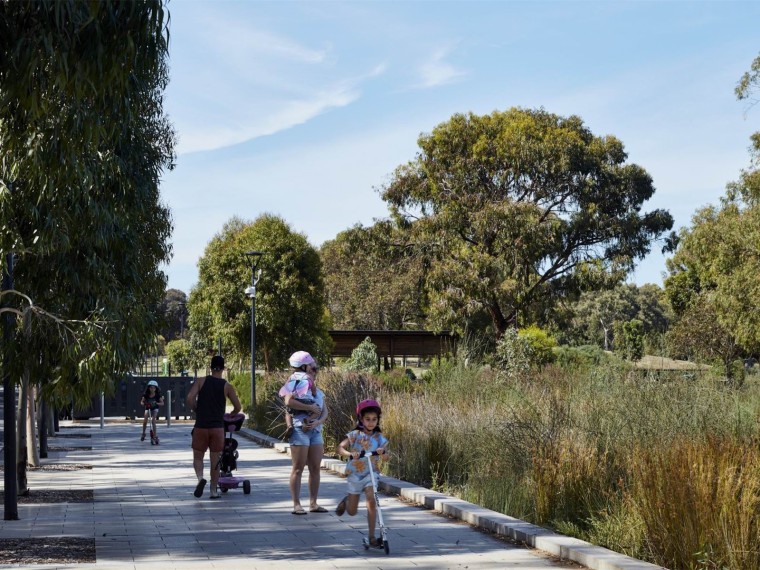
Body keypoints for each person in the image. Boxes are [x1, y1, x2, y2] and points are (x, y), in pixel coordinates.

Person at [186, 355, 242, 499]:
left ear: (210, 367)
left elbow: (189, 398)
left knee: (198, 457)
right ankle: (213, 491)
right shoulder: (227, 386)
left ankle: (200, 479)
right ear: (223, 368)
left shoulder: (200, 381)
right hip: (217, 428)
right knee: (215, 460)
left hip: (201, 426)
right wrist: (233, 413)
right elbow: (238, 406)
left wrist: (195, 409)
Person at [335, 399, 389, 549]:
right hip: (355, 474)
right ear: (361, 419)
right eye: (367, 419)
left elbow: (386, 456)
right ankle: (347, 502)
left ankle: (372, 536)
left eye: (374, 419)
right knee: (352, 512)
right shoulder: (355, 435)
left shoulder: (379, 438)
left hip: (371, 473)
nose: (371, 423)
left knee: (372, 499)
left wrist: (382, 452)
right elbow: (340, 448)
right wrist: (350, 454)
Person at [280, 350, 328, 514]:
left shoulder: (315, 387)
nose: (316, 371)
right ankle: (296, 504)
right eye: (313, 368)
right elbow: (288, 402)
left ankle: (313, 503)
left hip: (315, 430)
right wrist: (309, 408)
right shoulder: (295, 382)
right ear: (304, 367)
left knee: (315, 467)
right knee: (298, 468)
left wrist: (318, 422)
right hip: (300, 429)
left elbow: (325, 411)